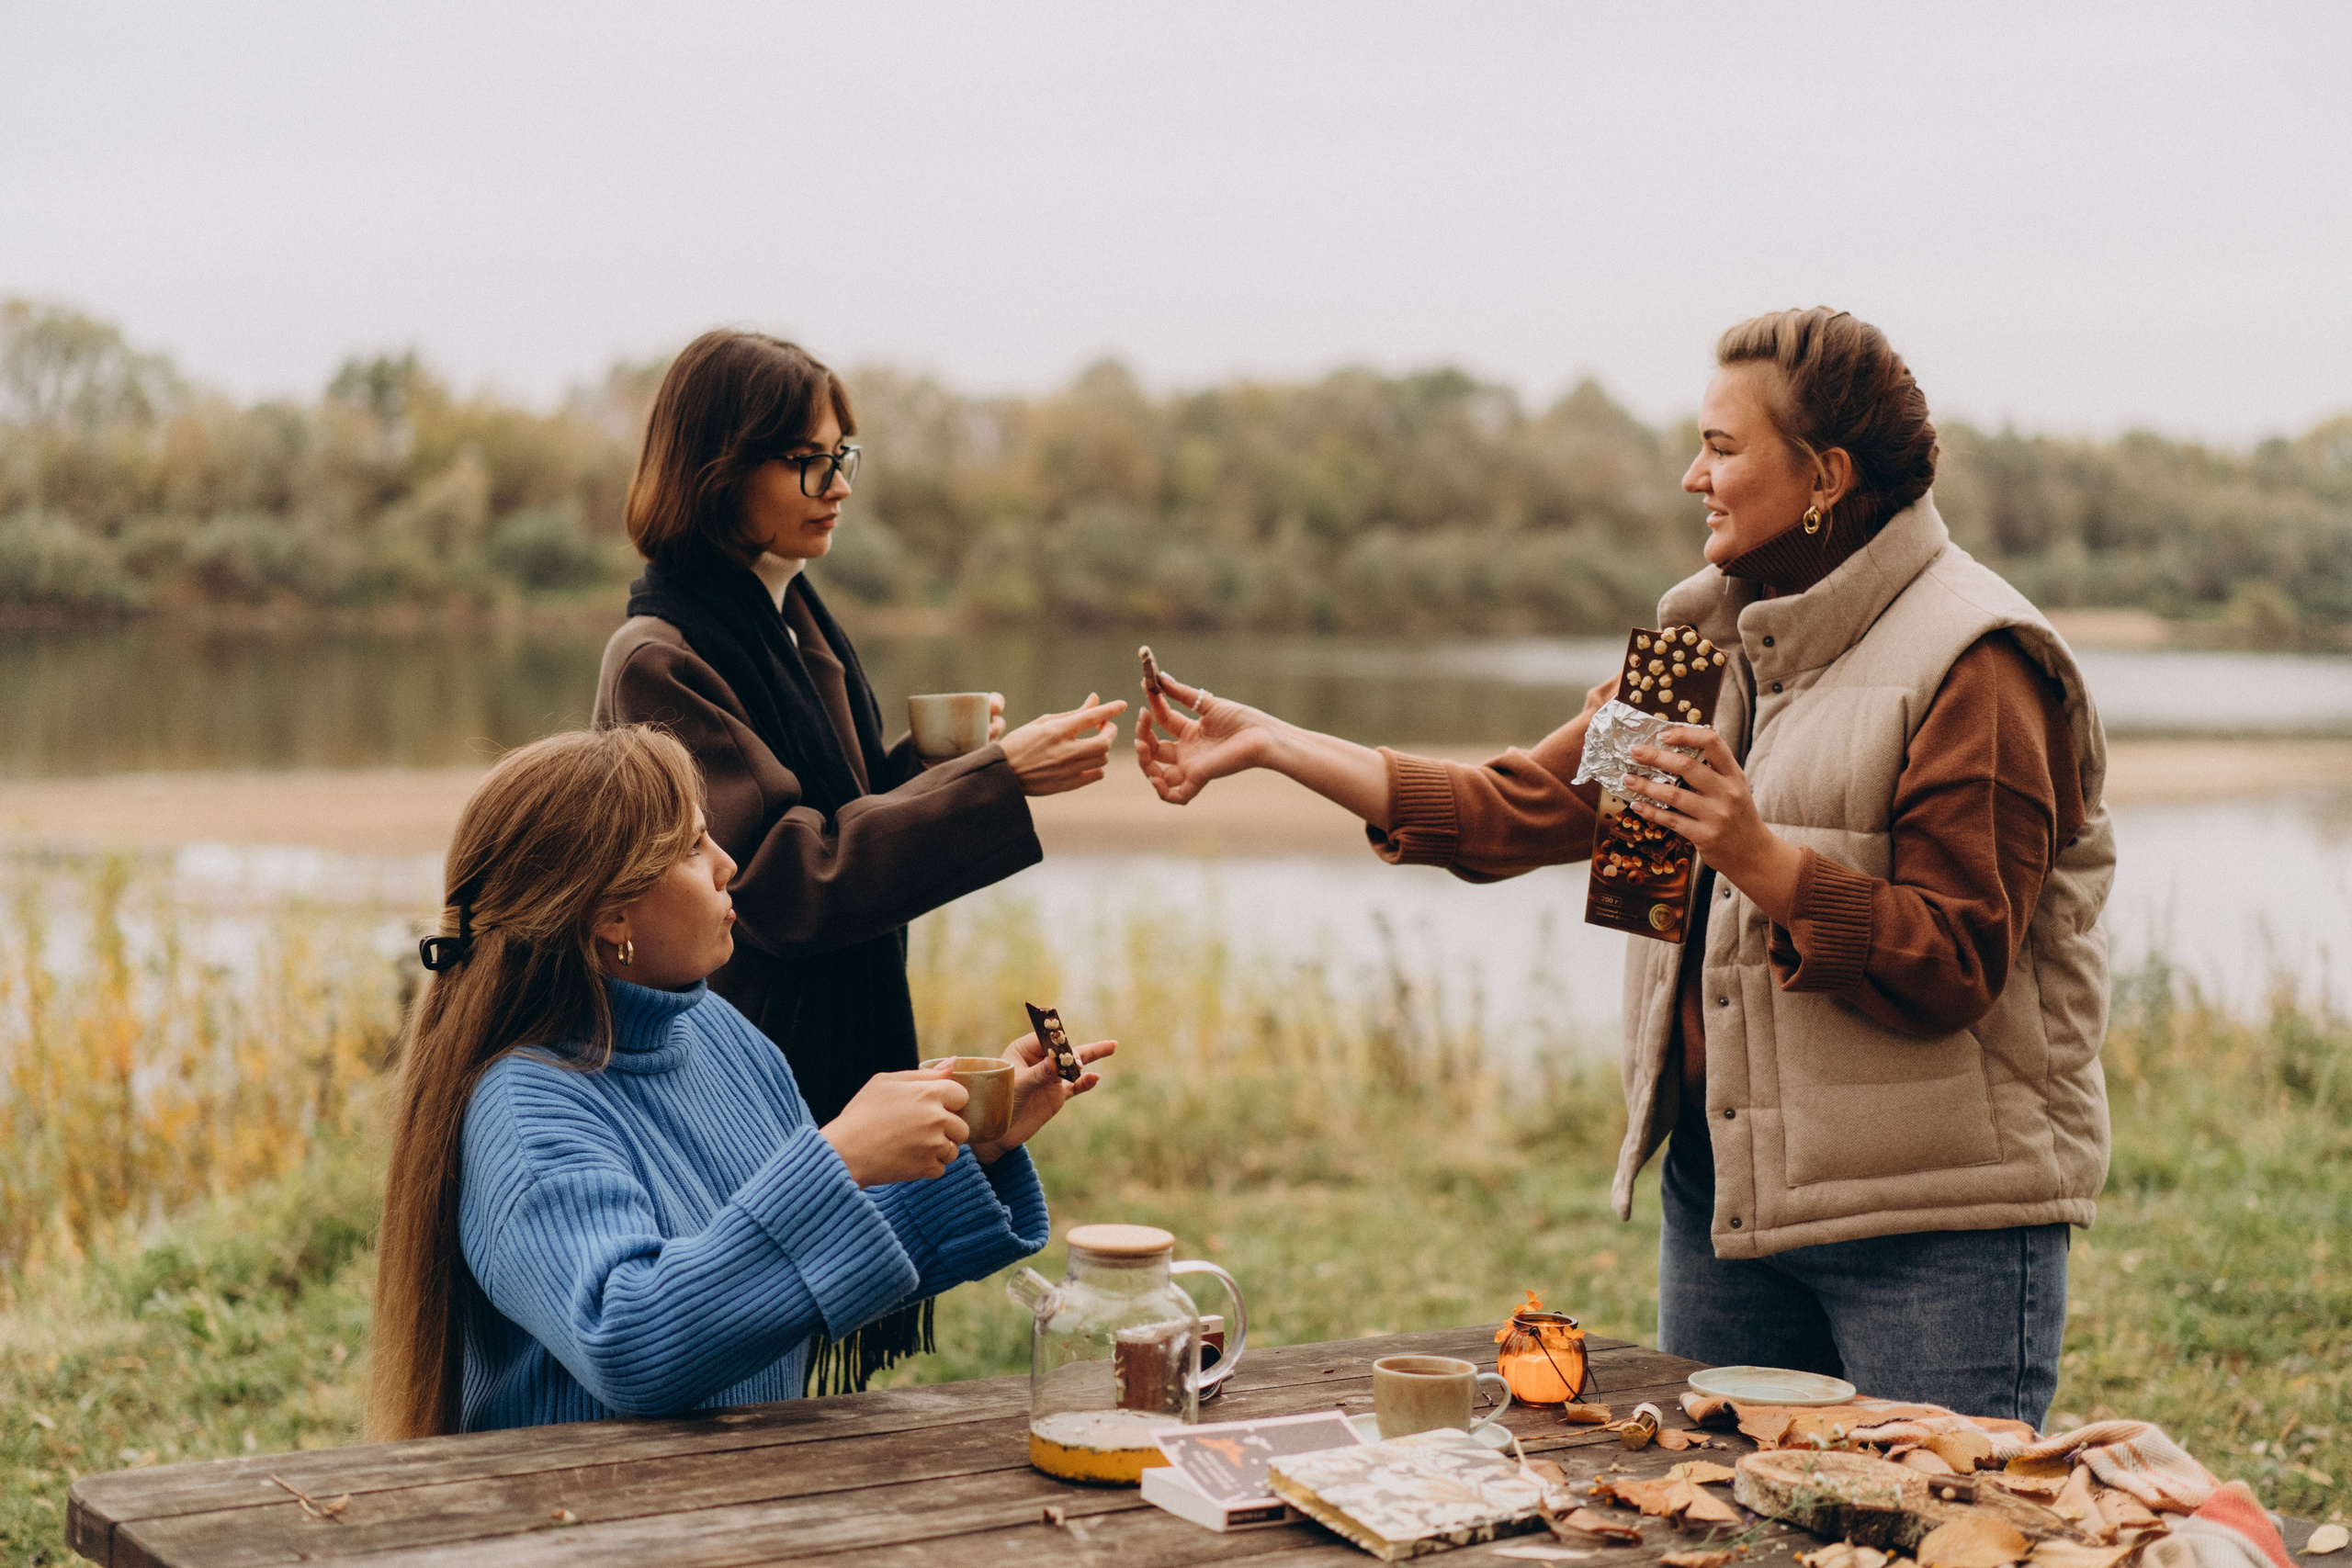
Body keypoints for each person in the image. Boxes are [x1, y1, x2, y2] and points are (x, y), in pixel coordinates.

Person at [1135, 309, 2110, 1427]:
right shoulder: (1696, 650)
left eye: (1723, 448)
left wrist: (1754, 856)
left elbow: (1956, 960)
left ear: (1824, 477)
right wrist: (1275, 743)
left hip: (1932, 1240)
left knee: (1936, 1539)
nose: (1692, 475)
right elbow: (1519, 811)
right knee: (1722, 1528)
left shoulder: (1979, 662)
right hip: (1725, 1207)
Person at [594, 330, 1125, 1390]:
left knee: (776, 1355)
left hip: (781, 1032)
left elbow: (822, 807)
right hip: (733, 1047)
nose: (837, 484)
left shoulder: (789, 616)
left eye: (845, 456)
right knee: (736, 1333)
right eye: (807, 460)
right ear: (716, 468)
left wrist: (939, 767)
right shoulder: (662, 655)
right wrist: (990, 785)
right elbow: (782, 879)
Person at [367, 726, 1110, 1438]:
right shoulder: (525, 1110)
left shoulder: (721, 1036)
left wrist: (973, 1142)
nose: (727, 862)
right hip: (582, 1520)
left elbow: (784, 1276)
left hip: (738, 1492)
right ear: (609, 913)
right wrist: (839, 1157)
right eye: (693, 846)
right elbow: (628, 1338)